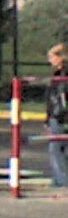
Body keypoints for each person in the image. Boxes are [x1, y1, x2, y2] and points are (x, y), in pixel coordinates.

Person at [44, 43, 68, 187]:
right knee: (61, 149)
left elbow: (58, 98)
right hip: (55, 116)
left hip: (61, 116)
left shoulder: (63, 76)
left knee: (56, 149)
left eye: (52, 57)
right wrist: (47, 119)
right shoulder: (57, 75)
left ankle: (62, 182)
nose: (50, 61)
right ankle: (58, 179)